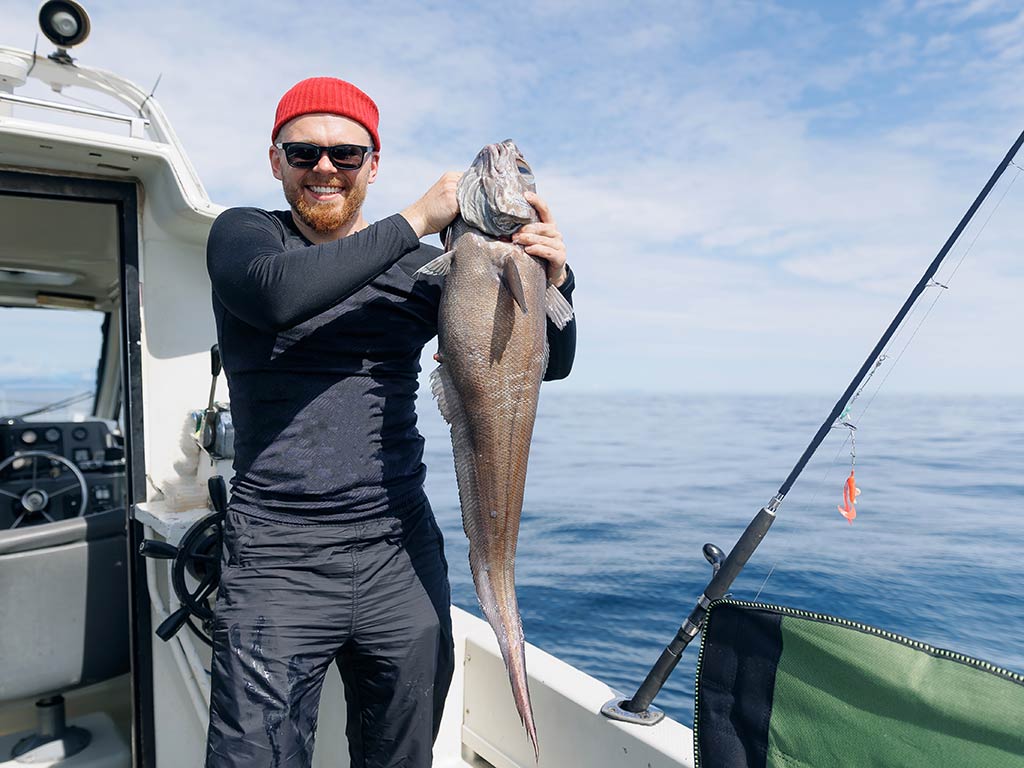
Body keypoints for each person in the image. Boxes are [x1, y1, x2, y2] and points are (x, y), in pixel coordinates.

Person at [203, 77, 577, 768]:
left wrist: (555, 280)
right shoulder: (247, 238)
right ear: (275, 161)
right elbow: (278, 299)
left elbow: (546, 367)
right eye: (303, 152)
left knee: (401, 755)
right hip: (277, 560)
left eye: (345, 154)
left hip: (397, 552)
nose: (324, 168)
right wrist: (414, 217)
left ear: (371, 165)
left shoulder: (423, 267)